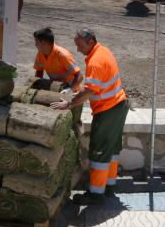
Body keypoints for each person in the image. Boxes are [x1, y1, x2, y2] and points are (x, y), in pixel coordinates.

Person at [52, 28, 128, 205]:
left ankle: (95, 194)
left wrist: (69, 104)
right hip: (118, 106)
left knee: (99, 152)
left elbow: (90, 91)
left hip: (107, 110)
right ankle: (109, 187)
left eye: (79, 45)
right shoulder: (103, 51)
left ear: (90, 41)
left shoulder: (95, 61)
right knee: (112, 149)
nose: (78, 49)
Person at [33, 27, 84, 126]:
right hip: (57, 89)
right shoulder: (40, 54)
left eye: (37, 42)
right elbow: (38, 73)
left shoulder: (62, 55)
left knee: (71, 122)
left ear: (44, 43)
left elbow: (80, 76)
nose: (35, 45)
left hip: (71, 92)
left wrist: (69, 90)